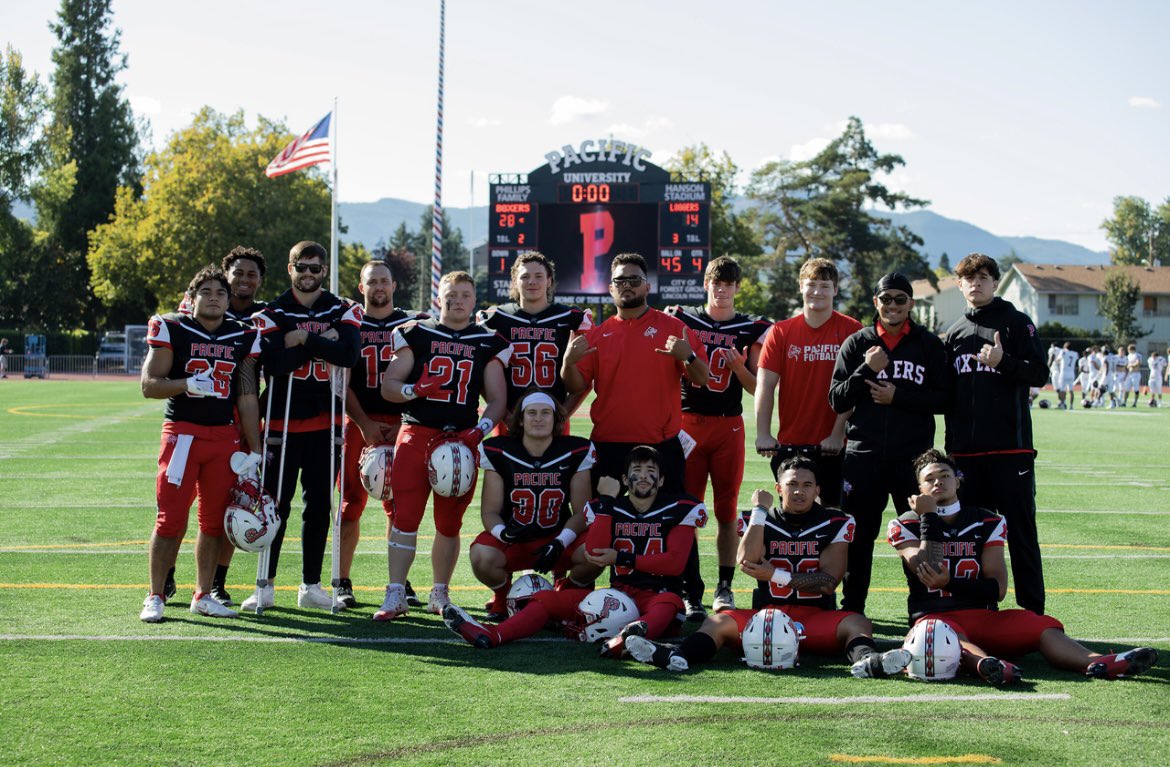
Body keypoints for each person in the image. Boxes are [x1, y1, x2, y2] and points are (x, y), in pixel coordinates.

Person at [622, 456, 910, 679]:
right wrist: (759, 513)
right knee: (717, 620)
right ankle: (676, 655)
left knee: (857, 623)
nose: (799, 491)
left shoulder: (835, 522)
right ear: (778, 488)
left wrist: (776, 575)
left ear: (818, 490)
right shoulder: (758, 518)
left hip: (814, 617)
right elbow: (746, 560)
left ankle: (868, 661)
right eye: (792, 484)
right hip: (764, 618)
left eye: (807, 485)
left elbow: (827, 582)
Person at [889, 449, 1159, 683]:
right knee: (942, 637)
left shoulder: (987, 521)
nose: (938, 482)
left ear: (958, 482)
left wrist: (949, 583)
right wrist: (928, 518)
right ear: (919, 490)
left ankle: (1098, 662)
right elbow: (929, 569)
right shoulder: (904, 524)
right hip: (934, 621)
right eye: (930, 479)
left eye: (945, 475)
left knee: (1038, 625)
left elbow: (997, 589)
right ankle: (986, 666)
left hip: (983, 617)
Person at [442, 446, 707, 657]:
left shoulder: (680, 508)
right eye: (636, 470)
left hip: (657, 596)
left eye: (652, 471)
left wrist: (621, 557)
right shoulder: (611, 507)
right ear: (625, 479)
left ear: (661, 479)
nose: (644, 476)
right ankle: (493, 634)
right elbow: (593, 549)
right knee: (546, 599)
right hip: (619, 595)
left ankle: (627, 640)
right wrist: (605, 503)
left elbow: (674, 564)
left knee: (669, 604)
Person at [561, 252, 709, 618]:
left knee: (677, 520)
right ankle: (585, 589)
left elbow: (703, 379)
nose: (626, 286)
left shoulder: (674, 328)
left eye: (633, 279)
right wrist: (567, 361)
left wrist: (688, 356)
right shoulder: (598, 334)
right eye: (619, 281)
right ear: (610, 289)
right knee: (599, 518)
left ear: (647, 285)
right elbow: (576, 383)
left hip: (660, 445)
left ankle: (689, 594)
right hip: (610, 443)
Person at [377, 271, 510, 619]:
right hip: (417, 432)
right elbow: (389, 385)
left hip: (460, 438)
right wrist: (414, 390)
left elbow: (498, 399)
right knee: (405, 517)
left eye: (465, 294)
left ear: (474, 300)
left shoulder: (487, 340)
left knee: (449, 523)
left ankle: (440, 592)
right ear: (439, 297)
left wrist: (480, 430)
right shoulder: (415, 333)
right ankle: (395, 593)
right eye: (451, 293)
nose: (458, 300)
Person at [243, 241, 362, 611]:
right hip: (281, 420)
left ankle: (310, 584)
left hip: (325, 423)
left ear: (324, 270)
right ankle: (265, 582)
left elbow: (349, 353)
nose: (308, 274)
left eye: (315, 267)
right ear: (290, 268)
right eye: (301, 267)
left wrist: (303, 339)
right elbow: (275, 364)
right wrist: (321, 342)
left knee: (319, 508)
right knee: (276, 505)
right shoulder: (272, 311)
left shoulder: (341, 308)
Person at [139, 265, 262, 622]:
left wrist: (253, 448)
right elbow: (149, 384)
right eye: (205, 292)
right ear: (191, 298)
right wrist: (185, 384)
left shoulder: (242, 334)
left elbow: (247, 394)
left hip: (223, 437)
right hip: (182, 435)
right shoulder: (173, 327)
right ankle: (155, 595)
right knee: (170, 519)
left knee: (213, 523)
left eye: (220, 293)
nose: (213, 298)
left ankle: (203, 594)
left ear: (228, 299)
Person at [829, 273, 949, 615]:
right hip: (863, 456)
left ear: (911, 303)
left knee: (916, 531)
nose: (893, 306)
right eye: (886, 299)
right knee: (859, 536)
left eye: (900, 299)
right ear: (875, 302)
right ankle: (852, 607)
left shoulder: (928, 344)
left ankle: (921, 606)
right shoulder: (857, 343)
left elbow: (946, 399)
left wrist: (900, 396)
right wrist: (866, 368)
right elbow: (836, 399)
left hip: (912, 459)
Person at [664, 256, 771, 613]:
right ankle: (689, 589)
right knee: (687, 510)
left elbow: (758, 388)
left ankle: (724, 586)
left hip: (729, 425)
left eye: (728, 284)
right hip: (689, 424)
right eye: (716, 283)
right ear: (705, 284)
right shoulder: (683, 318)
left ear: (737, 288)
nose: (722, 290)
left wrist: (740, 368)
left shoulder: (750, 327)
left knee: (726, 512)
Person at [943, 253, 1049, 615]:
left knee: (1020, 533)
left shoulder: (1017, 323)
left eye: (984, 277)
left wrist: (1003, 362)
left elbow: (1039, 374)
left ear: (995, 283)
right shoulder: (954, 332)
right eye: (969, 278)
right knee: (974, 536)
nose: (976, 283)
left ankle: (1033, 612)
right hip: (967, 455)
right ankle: (980, 606)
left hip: (1010, 451)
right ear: (959, 284)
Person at [336, 260, 429, 608]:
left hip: (403, 421)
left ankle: (399, 581)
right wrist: (364, 424)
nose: (379, 287)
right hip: (360, 421)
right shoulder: (349, 323)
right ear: (361, 287)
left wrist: (403, 420)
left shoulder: (414, 324)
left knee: (400, 506)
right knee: (350, 505)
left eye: (384, 281)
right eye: (371, 281)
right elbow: (339, 383)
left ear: (393, 287)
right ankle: (342, 581)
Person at [472, 390, 597, 620]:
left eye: (545, 413)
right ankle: (503, 595)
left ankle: (566, 592)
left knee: (597, 548)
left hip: (558, 537)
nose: (538, 418)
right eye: (531, 413)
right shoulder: (500, 450)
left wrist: (561, 542)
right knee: (481, 556)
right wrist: (504, 534)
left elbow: (582, 512)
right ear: (520, 419)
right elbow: (489, 511)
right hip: (516, 539)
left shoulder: (575, 451)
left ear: (556, 418)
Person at [755, 258, 860, 509]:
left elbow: (854, 388)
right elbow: (765, 384)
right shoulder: (781, 331)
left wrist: (837, 434)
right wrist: (763, 433)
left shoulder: (852, 330)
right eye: (811, 284)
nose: (817, 291)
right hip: (791, 444)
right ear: (800, 286)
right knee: (794, 516)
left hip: (836, 446)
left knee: (835, 517)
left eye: (825, 285)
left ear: (835, 290)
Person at [476, 251, 593, 424]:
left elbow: (584, 381)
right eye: (525, 277)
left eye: (539, 276)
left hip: (553, 419)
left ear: (549, 281)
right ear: (515, 281)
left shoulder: (571, 318)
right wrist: (507, 418)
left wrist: (561, 418)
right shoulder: (495, 319)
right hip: (508, 420)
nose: (532, 281)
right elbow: (482, 377)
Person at [1056, 342, 1078, 410]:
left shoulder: (1063, 352)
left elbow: (1057, 360)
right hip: (1071, 373)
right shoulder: (1075, 353)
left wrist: (1059, 362)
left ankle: (1062, 404)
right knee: (1071, 390)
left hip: (1064, 373)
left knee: (1062, 390)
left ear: (1065, 347)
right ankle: (1071, 406)